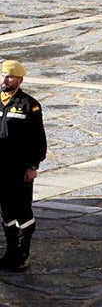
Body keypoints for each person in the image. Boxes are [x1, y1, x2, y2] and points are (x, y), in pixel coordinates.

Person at [0, 59, 47, 273]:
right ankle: (10, 253)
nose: (5, 80)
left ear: (19, 80)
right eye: (3, 75)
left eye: (10, 76)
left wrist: (33, 165)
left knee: (22, 211)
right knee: (6, 211)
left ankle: (23, 254)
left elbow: (38, 139)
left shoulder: (29, 105)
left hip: (18, 168)